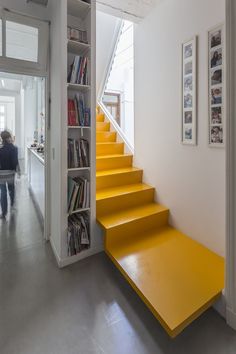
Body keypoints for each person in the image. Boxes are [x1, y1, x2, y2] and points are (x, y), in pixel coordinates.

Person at [0, 131, 20, 219]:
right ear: (9, 137)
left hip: (1, 174)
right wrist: (15, 170)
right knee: (11, 189)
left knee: (3, 193)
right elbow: (15, 162)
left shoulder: (0, 149)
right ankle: (12, 204)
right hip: (11, 173)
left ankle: (4, 213)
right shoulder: (14, 148)